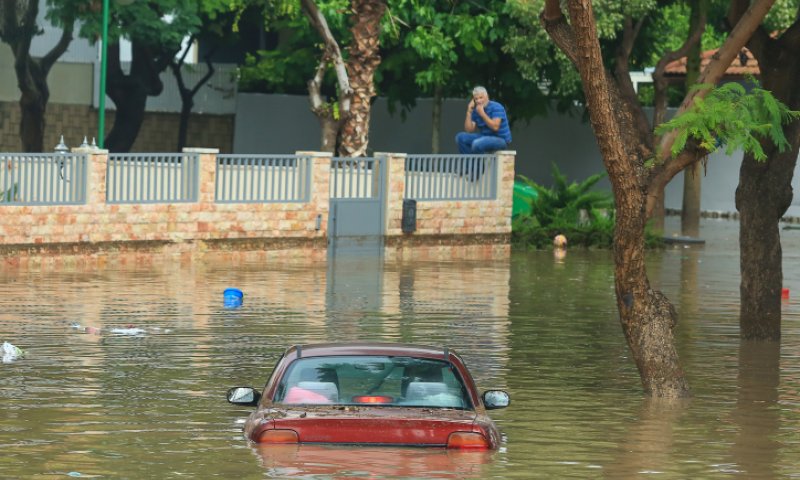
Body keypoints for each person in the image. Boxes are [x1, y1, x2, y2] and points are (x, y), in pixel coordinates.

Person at [455, 86, 512, 181]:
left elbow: (495, 127)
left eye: (481, 97)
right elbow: (469, 129)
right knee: (460, 138)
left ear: (487, 97)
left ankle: (478, 171)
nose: (478, 101)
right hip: (485, 137)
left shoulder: (496, 107)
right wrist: (469, 111)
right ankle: (470, 168)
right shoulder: (476, 110)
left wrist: (482, 114)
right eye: (476, 99)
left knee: (477, 143)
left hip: (500, 139)